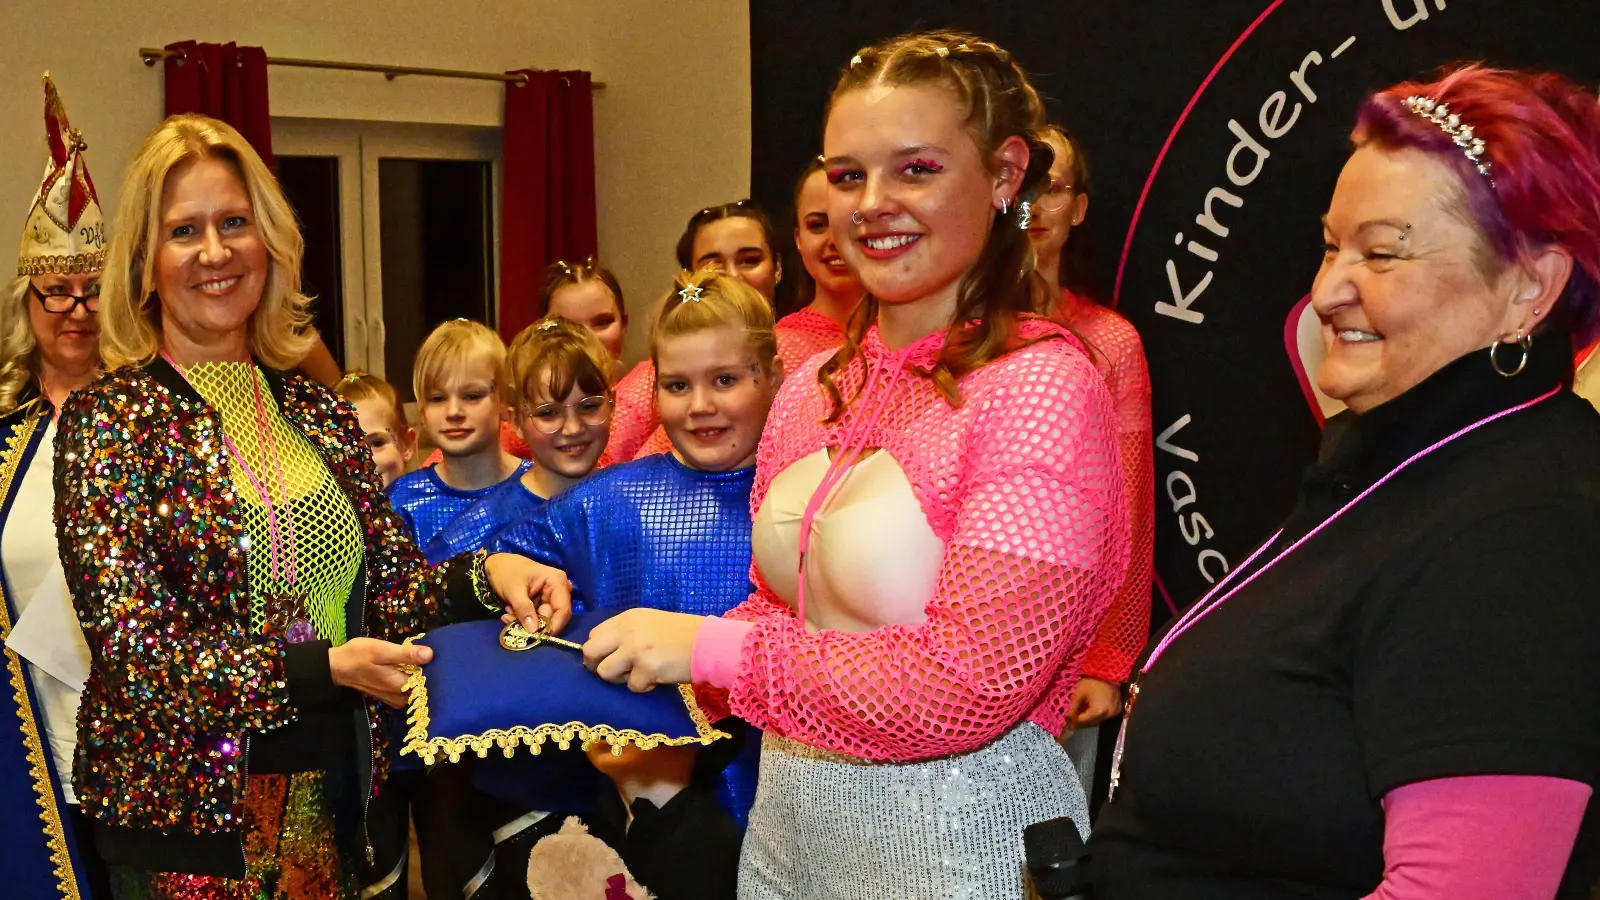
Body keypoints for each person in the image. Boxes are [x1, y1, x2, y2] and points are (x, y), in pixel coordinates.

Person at [579, 32, 1128, 899]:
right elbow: (777, 609)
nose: (872, 204)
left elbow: (970, 682)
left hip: (960, 851)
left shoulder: (1042, 390)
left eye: (915, 169)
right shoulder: (817, 387)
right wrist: (634, 688)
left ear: (1004, 173)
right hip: (790, 831)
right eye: (846, 176)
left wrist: (707, 651)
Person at [1091, 65, 1600, 899]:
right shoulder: (1411, 460)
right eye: (1331, 245)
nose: (1327, 291)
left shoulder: (1519, 529)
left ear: (1529, 290)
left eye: (1383, 253)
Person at [52, 113, 564, 898]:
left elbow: (390, 590)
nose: (216, 253)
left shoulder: (318, 412)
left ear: (272, 243)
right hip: (187, 825)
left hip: (335, 793)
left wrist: (488, 573)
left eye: (234, 223)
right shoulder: (109, 420)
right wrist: (320, 669)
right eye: (184, 230)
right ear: (146, 264)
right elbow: (135, 654)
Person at [491, 268, 783, 831]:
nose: (700, 405)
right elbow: (510, 547)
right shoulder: (611, 498)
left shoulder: (799, 499)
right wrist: (507, 567)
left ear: (771, 376)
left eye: (724, 380)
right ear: (652, 392)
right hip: (638, 799)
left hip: (781, 794)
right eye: (677, 385)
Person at [0, 74, 112, 900]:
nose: (76, 309)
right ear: (26, 301)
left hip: (149, 746)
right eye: (56, 293)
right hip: (29, 745)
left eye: (93, 290)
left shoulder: (154, 422)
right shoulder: (4, 439)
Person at [1027, 123, 1155, 792]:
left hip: (1068, 659)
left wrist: (1109, 658)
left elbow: (1127, 510)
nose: (1036, 207)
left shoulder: (1112, 342)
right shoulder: (945, 336)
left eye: (1053, 189)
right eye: (1023, 187)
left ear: (1078, 208)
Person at [425, 316, 614, 561]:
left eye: (589, 407)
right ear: (516, 422)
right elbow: (423, 592)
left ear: (613, 403)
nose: (573, 428)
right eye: (548, 413)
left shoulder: (637, 503)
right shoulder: (483, 525)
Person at [389, 319, 531, 562]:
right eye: (437, 398)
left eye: (472, 396)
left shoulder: (537, 489)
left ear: (504, 402)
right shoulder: (400, 501)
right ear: (421, 411)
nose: (454, 411)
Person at [332, 370, 415, 487]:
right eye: (346, 447)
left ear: (406, 444)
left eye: (377, 443)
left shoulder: (429, 502)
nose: (363, 460)